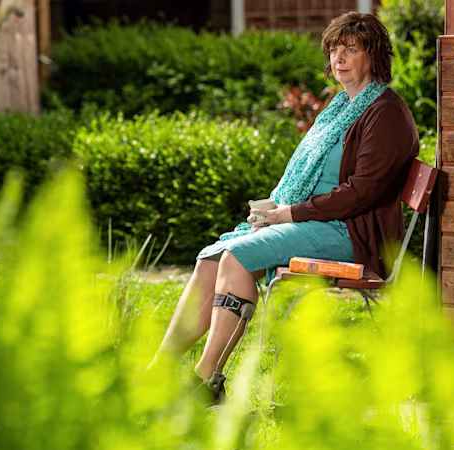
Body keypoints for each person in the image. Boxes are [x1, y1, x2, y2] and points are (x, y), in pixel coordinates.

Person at [148, 12, 419, 402]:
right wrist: (277, 207)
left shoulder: (386, 113)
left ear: (373, 56)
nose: (338, 58)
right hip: (318, 221)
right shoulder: (343, 106)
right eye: (334, 50)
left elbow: (363, 192)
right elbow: (317, 178)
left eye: (350, 49)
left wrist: (287, 214)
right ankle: (156, 370)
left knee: (238, 256)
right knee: (212, 258)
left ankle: (206, 380)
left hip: (351, 233)